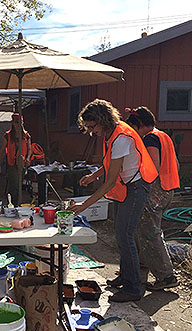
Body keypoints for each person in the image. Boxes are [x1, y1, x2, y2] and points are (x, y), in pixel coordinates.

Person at [68, 99, 158, 303]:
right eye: (88, 127)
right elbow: (111, 164)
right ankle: (125, 277)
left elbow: (109, 183)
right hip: (128, 186)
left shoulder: (121, 139)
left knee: (125, 236)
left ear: (103, 120)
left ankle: (133, 288)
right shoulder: (113, 133)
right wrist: (93, 176)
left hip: (137, 188)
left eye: (92, 127)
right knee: (121, 234)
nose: (91, 131)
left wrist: (84, 206)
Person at [125, 106, 180, 291]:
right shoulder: (163, 136)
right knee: (142, 231)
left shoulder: (150, 138)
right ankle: (140, 273)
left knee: (150, 232)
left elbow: (152, 166)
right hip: (168, 188)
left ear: (140, 125)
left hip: (156, 189)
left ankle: (166, 275)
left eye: (133, 127)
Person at [0, 113, 32, 206]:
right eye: (16, 122)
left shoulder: (26, 135)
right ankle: (14, 204)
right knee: (14, 185)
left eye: (19, 122)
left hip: (22, 163)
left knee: (19, 184)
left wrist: (28, 158)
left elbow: (29, 149)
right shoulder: (7, 136)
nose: (18, 124)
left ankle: (17, 203)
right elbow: (2, 151)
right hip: (11, 164)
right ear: (12, 123)